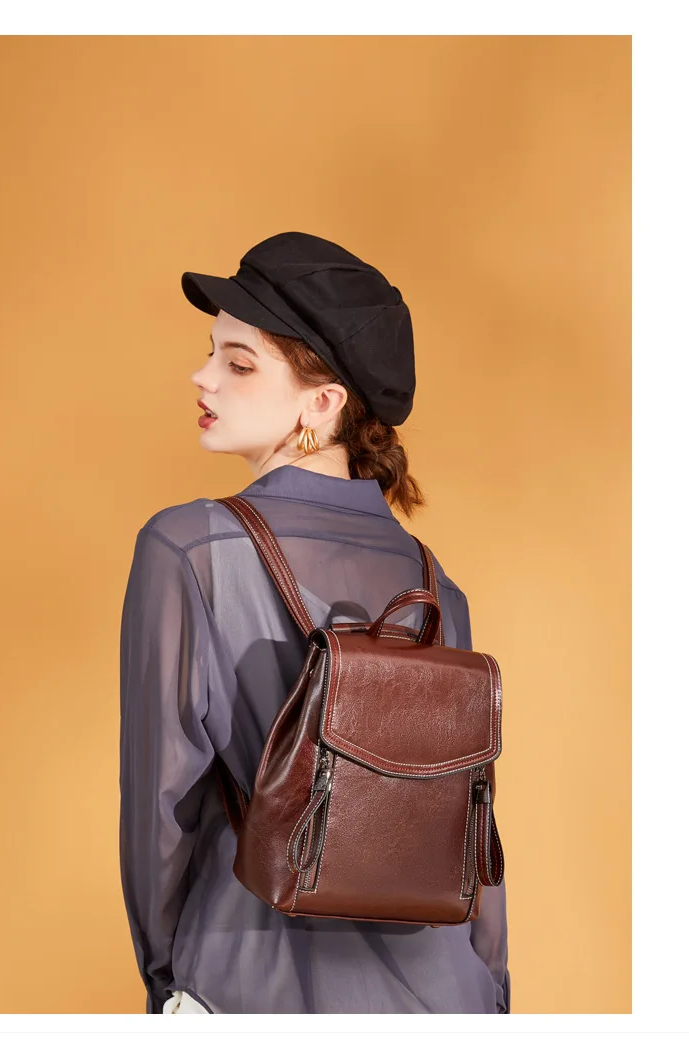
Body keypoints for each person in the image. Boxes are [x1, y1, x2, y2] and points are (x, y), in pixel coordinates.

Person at [118, 231, 511, 1014]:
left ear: (322, 403)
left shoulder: (188, 549)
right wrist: (494, 996)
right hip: (447, 998)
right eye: (210, 353)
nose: (203, 376)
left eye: (239, 363)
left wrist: (168, 983)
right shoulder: (436, 585)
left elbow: (161, 806)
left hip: (253, 983)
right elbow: (473, 821)